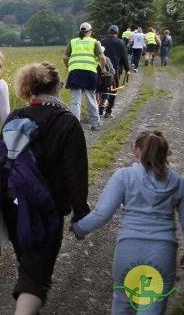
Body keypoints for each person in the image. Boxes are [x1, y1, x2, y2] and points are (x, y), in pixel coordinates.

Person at [5, 62, 90, 315]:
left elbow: (2, 162)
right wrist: (80, 212)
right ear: (57, 87)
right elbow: (75, 174)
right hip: (46, 209)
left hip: (13, 206)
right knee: (35, 276)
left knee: (29, 263)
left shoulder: (15, 116)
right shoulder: (67, 122)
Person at [72, 131, 183, 314]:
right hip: (163, 252)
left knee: (123, 305)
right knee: (152, 308)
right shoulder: (178, 183)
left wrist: (79, 228)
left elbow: (102, 214)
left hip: (128, 250)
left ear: (136, 150)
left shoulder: (124, 176)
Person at [62, 22, 108, 130]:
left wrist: (68, 66)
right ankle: (94, 124)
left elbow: (64, 57)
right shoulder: (94, 42)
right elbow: (102, 58)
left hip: (75, 73)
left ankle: (75, 125)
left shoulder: (73, 42)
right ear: (90, 31)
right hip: (90, 73)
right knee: (91, 99)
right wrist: (103, 69)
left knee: (75, 101)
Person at [100, 25, 131, 118]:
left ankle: (100, 109)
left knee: (103, 89)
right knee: (113, 90)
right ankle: (108, 111)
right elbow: (124, 58)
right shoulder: (120, 43)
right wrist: (127, 69)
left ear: (108, 32)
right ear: (117, 33)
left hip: (102, 69)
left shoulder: (102, 41)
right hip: (114, 70)